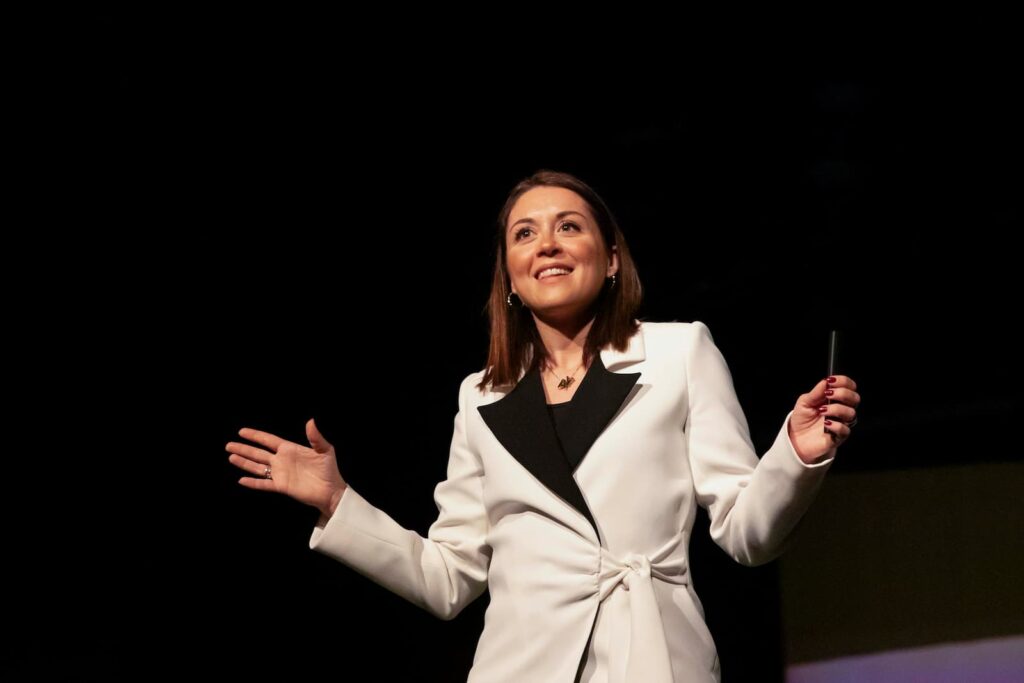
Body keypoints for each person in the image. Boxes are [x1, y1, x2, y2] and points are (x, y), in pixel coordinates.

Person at [226, 170, 861, 682]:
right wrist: (339, 503)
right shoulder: (479, 397)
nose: (547, 244)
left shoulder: (678, 353)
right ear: (509, 273)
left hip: (651, 658)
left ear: (611, 259)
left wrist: (794, 456)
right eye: (525, 234)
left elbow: (747, 534)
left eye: (568, 227)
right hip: (519, 666)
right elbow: (448, 579)